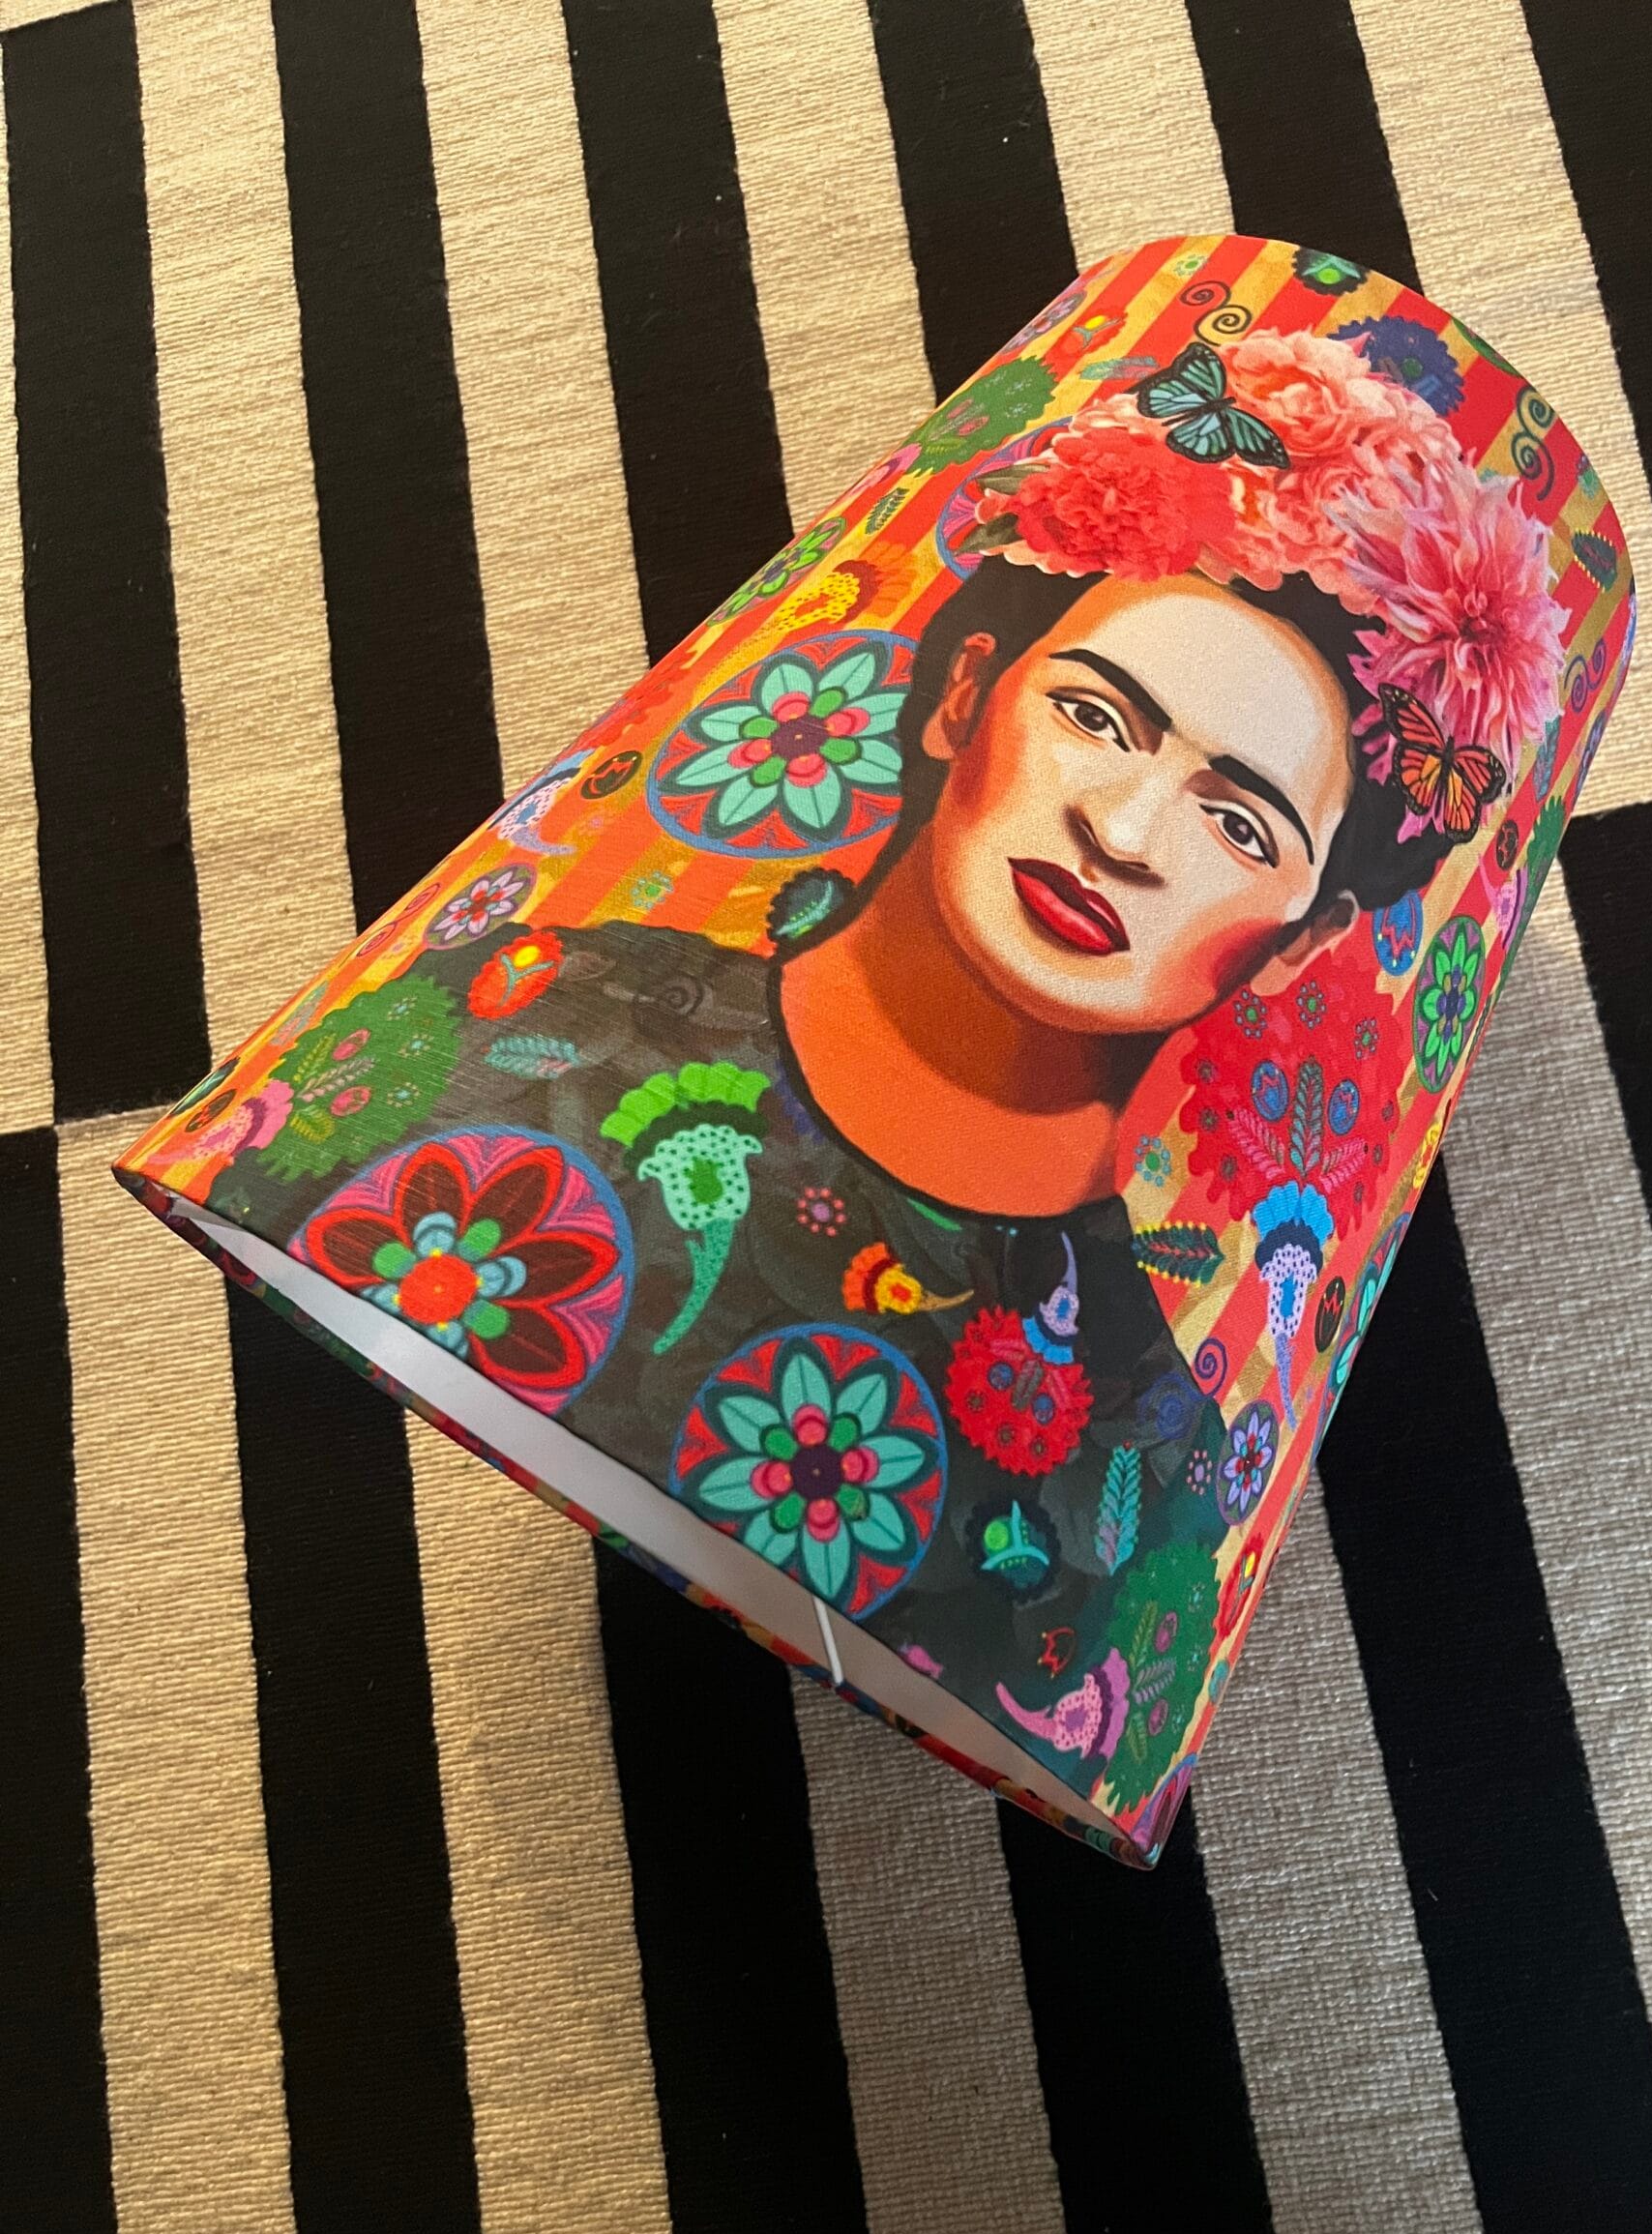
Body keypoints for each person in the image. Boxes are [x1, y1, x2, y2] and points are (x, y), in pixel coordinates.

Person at [210, 319, 1567, 1826]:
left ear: (1299, 948)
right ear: (965, 687)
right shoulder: (516, 1021)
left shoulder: (1145, 1453)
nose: (1124, 833)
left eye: (1239, 826)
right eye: (1096, 717)